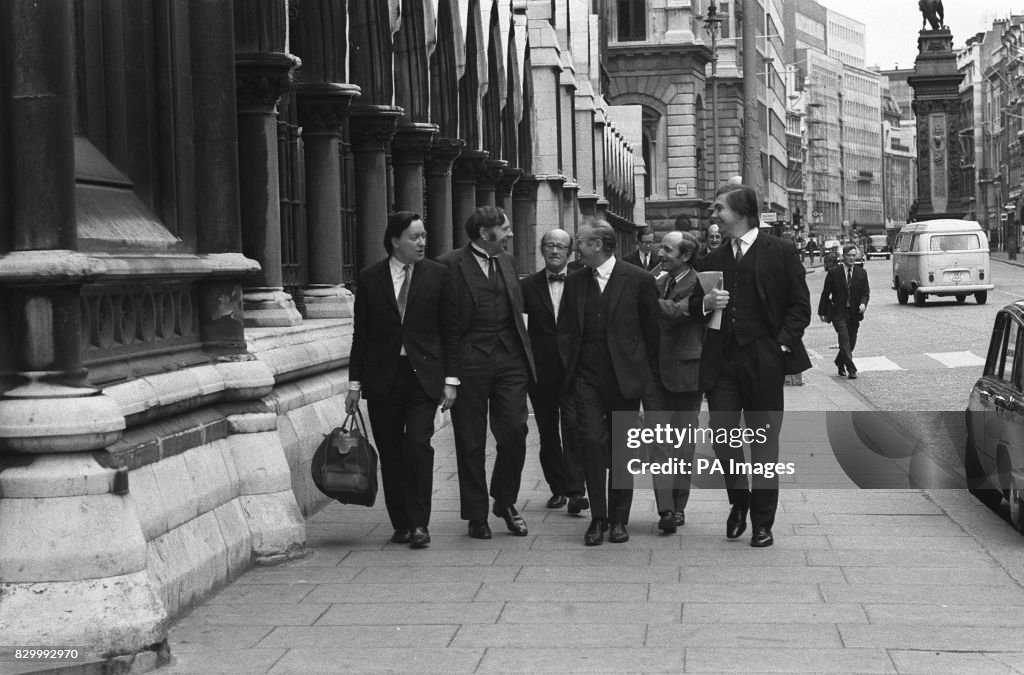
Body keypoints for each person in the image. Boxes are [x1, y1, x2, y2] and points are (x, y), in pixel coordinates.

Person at [690, 183, 811, 548]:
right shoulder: (711, 260)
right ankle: (738, 498)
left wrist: (779, 346)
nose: (713, 215)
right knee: (723, 437)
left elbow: (800, 307)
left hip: (765, 361)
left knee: (763, 445)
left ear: (740, 213)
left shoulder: (782, 252)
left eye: (718, 209)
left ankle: (762, 522)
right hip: (723, 362)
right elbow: (697, 309)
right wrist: (707, 302)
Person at [346, 211, 461, 549]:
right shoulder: (370, 279)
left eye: (424, 235)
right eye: (415, 236)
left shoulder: (438, 276)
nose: (422, 242)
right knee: (391, 452)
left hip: (423, 377)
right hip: (383, 378)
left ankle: (420, 523)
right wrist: (354, 384)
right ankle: (401, 522)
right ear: (395, 240)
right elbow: (360, 336)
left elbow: (450, 331)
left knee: (418, 447)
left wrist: (451, 379)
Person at [559, 220, 661, 546]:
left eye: (582, 242)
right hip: (586, 377)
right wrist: (571, 372)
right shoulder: (575, 281)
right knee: (590, 441)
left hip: (624, 378)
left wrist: (644, 379)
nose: (577, 247)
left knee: (621, 448)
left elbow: (652, 332)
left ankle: (618, 519)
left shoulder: (639, 280)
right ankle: (598, 518)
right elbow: (565, 329)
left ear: (600, 244)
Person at [437, 206, 536, 540]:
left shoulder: (507, 262)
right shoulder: (448, 265)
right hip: (469, 363)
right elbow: (444, 325)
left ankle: (504, 500)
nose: (509, 234)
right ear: (484, 233)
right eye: (504, 229)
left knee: (514, 431)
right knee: (470, 441)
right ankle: (476, 514)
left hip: (509, 360)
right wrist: (449, 376)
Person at [520, 230, 588, 514]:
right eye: (549, 245)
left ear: (570, 252)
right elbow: (522, 330)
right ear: (542, 249)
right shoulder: (528, 286)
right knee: (548, 433)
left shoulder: (582, 283)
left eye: (561, 246)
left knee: (573, 427)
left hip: (574, 369)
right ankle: (557, 487)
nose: (555, 251)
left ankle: (575, 491)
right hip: (542, 371)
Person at [649, 231, 706, 533]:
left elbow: (678, 312)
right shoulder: (656, 280)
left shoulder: (701, 284)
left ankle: (679, 504)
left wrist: (646, 299)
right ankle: (666, 509)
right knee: (659, 443)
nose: (660, 253)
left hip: (686, 374)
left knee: (682, 445)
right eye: (661, 247)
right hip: (655, 375)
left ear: (684, 256)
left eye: (667, 250)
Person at [818, 244, 869, 380]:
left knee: (851, 342)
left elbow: (865, 292)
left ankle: (840, 362)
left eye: (854, 255)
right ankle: (851, 369)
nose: (852, 258)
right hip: (839, 313)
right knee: (844, 339)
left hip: (854, 314)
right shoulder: (834, 273)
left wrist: (863, 304)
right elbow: (825, 293)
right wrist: (822, 312)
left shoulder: (861, 273)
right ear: (843, 256)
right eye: (849, 255)